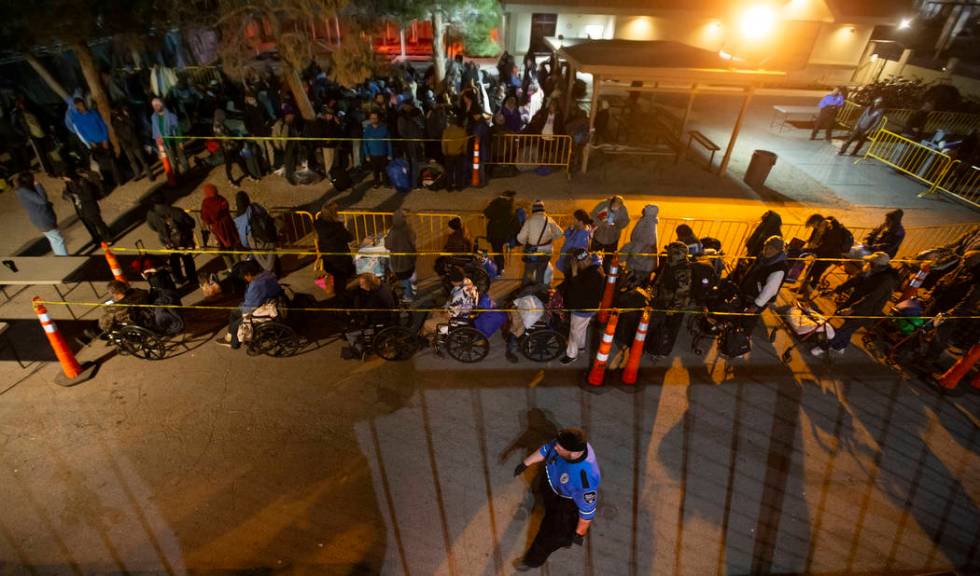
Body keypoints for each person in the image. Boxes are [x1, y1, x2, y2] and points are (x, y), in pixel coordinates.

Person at [511, 428, 601, 571]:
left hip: (565, 504)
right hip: (552, 486)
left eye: (560, 446)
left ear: (574, 452)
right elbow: (546, 449)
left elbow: (587, 511)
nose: (556, 446)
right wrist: (526, 463)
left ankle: (532, 561)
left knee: (548, 536)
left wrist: (579, 533)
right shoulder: (564, 445)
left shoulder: (585, 479)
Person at [812, 251, 899, 357]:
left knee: (846, 328)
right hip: (855, 300)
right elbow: (854, 280)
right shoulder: (871, 270)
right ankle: (841, 346)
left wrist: (852, 308)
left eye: (871, 262)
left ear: (878, 265)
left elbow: (872, 298)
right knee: (841, 319)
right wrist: (835, 291)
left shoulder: (886, 280)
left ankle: (824, 347)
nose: (869, 264)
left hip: (867, 309)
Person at [220, 260, 284, 350]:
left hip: (261, 308)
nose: (245, 279)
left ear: (249, 274)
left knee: (235, 323)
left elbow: (248, 308)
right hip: (271, 300)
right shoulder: (267, 274)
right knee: (234, 313)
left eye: (245, 276)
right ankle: (229, 336)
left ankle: (234, 343)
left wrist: (242, 309)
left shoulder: (255, 285)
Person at [559, 248, 605, 364]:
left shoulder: (592, 274)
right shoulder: (594, 268)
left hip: (583, 307)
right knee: (581, 328)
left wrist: (574, 273)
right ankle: (580, 347)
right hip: (588, 305)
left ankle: (571, 355)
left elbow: (578, 289)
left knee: (574, 331)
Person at [737, 236, 788, 336]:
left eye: (772, 249)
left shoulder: (779, 268)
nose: (767, 251)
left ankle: (742, 339)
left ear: (778, 251)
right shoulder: (763, 257)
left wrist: (756, 306)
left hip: (756, 300)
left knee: (748, 321)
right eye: (766, 247)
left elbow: (770, 290)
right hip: (748, 294)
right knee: (740, 317)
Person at [67, 98, 122, 189]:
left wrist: (105, 139)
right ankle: (111, 182)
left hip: (103, 140)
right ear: (77, 107)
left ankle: (119, 180)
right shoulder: (77, 119)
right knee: (102, 163)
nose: (82, 106)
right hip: (94, 143)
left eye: (83, 104)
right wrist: (90, 142)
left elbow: (102, 125)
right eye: (80, 105)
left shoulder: (93, 113)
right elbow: (82, 133)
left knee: (112, 160)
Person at [344, 273, 398, 357]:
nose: (361, 286)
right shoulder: (383, 286)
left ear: (370, 285)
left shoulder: (376, 298)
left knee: (349, 333)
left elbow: (364, 313)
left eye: (362, 285)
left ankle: (360, 351)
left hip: (379, 323)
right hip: (389, 314)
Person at [146, 198, 197, 285]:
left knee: (174, 259)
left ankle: (178, 278)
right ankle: (192, 278)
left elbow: (152, 227)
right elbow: (191, 223)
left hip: (167, 241)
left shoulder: (150, 214)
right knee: (188, 259)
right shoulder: (176, 211)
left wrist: (163, 232)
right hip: (183, 240)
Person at [14, 172, 67, 255]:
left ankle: (61, 256)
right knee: (57, 239)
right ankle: (64, 258)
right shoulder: (24, 191)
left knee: (54, 239)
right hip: (43, 218)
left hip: (40, 218)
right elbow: (42, 200)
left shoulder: (22, 190)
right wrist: (38, 186)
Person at [799, 213, 849, 295]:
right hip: (821, 253)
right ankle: (802, 289)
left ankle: (807, 295)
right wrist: (808, 246)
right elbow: (813, 238)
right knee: (809, 270)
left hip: (829, 255)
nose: (813, 227)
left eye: (813, 225)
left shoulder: (831, 229)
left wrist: (810, 250)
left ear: (817, 222)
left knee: (817, 273)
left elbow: (827, 246)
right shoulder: (821, 226)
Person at [61, 164, 112, 245]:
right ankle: (97, 239)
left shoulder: (82, 181)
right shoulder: (68, 183)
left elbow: (89, 195)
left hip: (90, 207)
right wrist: (67, 195)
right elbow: (65, 195)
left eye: (65, 177)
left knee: (98, 223)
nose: (64, 179)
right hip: (81, 209)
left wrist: (77, 195)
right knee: (89, 226)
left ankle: (108, 238)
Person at [422, 266, 479, 337]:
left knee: (426, 323)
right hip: (468, 313)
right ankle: (429, 335)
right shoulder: (468, 281)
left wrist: (442, 312)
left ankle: (427, 339)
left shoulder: (459, 296)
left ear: (452, 281)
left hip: (458, 321)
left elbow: (448, 315)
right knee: (433, 312)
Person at [315, 202, 356, 299]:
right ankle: (340, 298)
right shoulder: (336, 227)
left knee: (334, 276)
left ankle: (338, 293)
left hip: (328, 256)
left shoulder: (319, 224)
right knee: (340, 281)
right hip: (340, 257)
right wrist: (344, 229)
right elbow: (349, 237)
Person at [517, 200, 563, 286]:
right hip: (546, 252)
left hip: (532, 253)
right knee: (541, 273)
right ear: (543, 209)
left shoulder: (529, 221)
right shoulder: (549, 219)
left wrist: (526, 241)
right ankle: (539, 290)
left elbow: (520, 238)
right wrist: (550, 237)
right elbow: (560, 233)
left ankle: (525, 292)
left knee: (529, 272)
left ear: (533, 210)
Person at [200, 183, 241, 272]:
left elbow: (206, 218)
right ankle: (239, 264)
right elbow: (226, 207)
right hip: (228, 224)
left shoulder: (206, 203)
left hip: (218, 228)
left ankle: (230, 267)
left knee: (223, 248)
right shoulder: (221, 199)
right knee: (233, 244)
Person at [234, 191, 278, 273]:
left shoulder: (239, 216)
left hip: (255, 240)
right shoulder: (255, 206)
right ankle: (275, 270)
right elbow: (265, 215)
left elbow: (243, 237)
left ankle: (270, 273)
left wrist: (247, 245)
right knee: (271, 254)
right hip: (269, 234)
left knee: (263, 260)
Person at [110, 105, 154, 182]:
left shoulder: (127, 117)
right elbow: (117, 134)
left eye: (116, 111)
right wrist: (123, 142)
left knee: (142, 158)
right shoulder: (115, 123)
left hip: (134, 141)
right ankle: (138, 174)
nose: (116, 113)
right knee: (132, 160)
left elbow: (133, 125)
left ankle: (150, 174)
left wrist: (126, 117)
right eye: (114, 112)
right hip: (126, 144)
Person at [483, 190, 520, 273]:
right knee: (499, 249)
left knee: (497, 250)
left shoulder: (497, 204)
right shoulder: (511, 207)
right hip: (506, 233)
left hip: (495, 232)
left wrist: (493, 202)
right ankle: (501, 266)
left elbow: (487, 213)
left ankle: (500, 267)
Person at [150, 97, 189, 175]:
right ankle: (177, 175)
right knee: (172, 160)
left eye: (157, 105)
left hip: (174, 139)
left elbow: (177, 128)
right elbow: (155, 132)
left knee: (181, 156)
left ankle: (188, 172)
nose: (156, 107)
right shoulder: (153, 118)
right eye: (154, 106)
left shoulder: (171, 115)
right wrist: (159, 146)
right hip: (165, 142)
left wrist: (180, 141)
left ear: (161, 105)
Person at [620, 204, 659, 282]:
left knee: (635, 283)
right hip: (643, 260)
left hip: (640, 261)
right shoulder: (649, 221)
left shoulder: (647, 223)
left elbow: (644, 240)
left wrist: (627, 251)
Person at [386, 209, 417, 301]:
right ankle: (414, 287)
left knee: (404, 280)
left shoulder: (393, 231)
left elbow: (388, 245)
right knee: (411, 273)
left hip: (399, 262)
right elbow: (414, 239)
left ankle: (408, 296)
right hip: (410, 259)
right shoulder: (408, 229)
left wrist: (386, 238)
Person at [590, 196, 630, 265]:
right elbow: (593, 215)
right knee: (594, 256)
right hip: (598, 236)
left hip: (612, 239)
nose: (615, 208)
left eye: (618, 206)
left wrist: (617, 225)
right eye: (614, 205)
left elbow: (626, 221)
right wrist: (601, 223)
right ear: (611, 202)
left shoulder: (623, 209)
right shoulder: (603, 205)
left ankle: (606, 269)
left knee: (609, 259)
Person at [397, 100, 426, 190]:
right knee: (410, 163)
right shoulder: (402, 117)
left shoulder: (417, 114)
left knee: (417, 163)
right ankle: (411, 182)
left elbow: (423, 126)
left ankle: (416, 182)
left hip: (417, 143)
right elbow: (402, 132)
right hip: (408, 144)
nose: (406, 108)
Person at [559, 209, 595, 275]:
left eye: (574, 219)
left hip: (571, 266)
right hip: (567, 261)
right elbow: (567, 236)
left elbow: (576, 253)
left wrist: (572, 267)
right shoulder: (577, 229)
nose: (572, 221)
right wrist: (570, 229)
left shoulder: (582, 237)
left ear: (580, 222)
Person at [362, 110, 392, 188]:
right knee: (375, 170)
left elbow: (389, 142)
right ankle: (376, 182)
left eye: (375, 118)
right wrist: (367, 155)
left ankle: (386, 183)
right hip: (373, 154)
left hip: (383, 153)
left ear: (378, 119)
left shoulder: (384, 128)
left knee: (385, 170)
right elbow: (365, 143)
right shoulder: (367, 130)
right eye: (372, 118)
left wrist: (390, 153)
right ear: (370, 119)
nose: (374, 119)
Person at [442, 115, 469, 191]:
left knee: (449, 171)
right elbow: (465, 143)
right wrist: (464, 151)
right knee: (459, 171)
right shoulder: (462, 131)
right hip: (459, 154)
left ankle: (449, 187)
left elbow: (444, 143)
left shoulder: (446, 131)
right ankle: (459, 186)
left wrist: (444, 151)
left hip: (449, 154)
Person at [468, 110, 490, 187]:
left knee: (480, 166)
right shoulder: (483, 124)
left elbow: (477, 136)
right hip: (481, 148)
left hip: (480, 148)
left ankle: (481, 181)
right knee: (480, 166)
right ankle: (480, 181)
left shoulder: (479, 125)